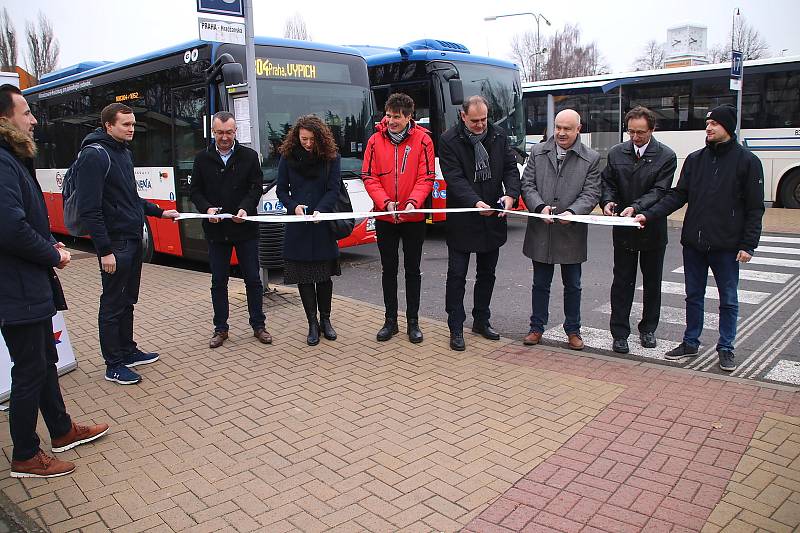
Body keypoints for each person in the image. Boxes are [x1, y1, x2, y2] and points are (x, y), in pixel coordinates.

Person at [0, 84, 109, 478]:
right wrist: (52, 254)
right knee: (30, 371)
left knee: (45, 361)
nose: (32, 120)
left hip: (29, 286)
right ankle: (26, 455)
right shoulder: (2, 161)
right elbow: (9, 228)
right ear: (4, 118)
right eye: (25, 112)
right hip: (17, 290)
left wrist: (47, 240)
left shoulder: (13, 159)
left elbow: (22, 220)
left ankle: (61, 430)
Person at [635, 104, 764, 372]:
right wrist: (648, 214)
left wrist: (748, 244)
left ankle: (726, 348)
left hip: (727, 246)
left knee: (728, 299)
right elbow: (678, 195)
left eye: (714, 123)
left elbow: (754, 208)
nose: (708, 128)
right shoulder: (695, 159)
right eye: (708, 123)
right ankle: (690, 342)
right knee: (693, 295)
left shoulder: (748, 162)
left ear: (728, 127)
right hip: (694, 243)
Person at [75, 103, 179, 385]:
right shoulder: (93, 156)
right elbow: (90, 209)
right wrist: (104, 250)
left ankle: (128, 350)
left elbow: (130, 198)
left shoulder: (122, 153)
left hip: (131, 239)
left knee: (128, 300)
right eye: (125, 125)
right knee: (112, 303)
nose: (132, 129)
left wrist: (160, 212)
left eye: (133, 124)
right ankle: (114, 364)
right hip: (116, 243)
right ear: (108, 125)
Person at [439, 95, 521, 351]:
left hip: (492, 217)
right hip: (464, 216)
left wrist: (510, 195)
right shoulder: (449, 140)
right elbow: (454, 178)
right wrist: (475, 202)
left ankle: (481, 320)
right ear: (463, 116)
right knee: (457, 275)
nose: (480, 125)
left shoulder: (497, 135)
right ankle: (455, 326)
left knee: (487, 274)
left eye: (484, 119)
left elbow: (510, 168)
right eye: (475, 120)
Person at [520, 109, 601, 351]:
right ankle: (536, 328)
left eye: (567, 128)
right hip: (541, 230)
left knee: (573, 285)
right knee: (540, 284)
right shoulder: (538, 151)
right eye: (558, 127)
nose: (561, 133)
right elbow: (528, 184)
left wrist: (574, 213)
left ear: (578, 129)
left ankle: (573, 330)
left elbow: (592, 192)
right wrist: (540, 206)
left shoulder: (591, 158)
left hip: (571, 231)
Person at [190, 111, 271, 349]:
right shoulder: (202, 158)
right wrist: (207, 209)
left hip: (245, 228)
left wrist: (245, 209)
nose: (224, 137)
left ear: (236, 132)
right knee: (218, 282)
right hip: (216, 231)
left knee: (253, 280)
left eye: (229, 132)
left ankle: (258, 325)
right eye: (220, 133)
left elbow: (256, 188)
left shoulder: (249, 156)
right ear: (213, 132)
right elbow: (195, 191)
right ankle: (220, 329)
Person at [600, 106, 676, 354]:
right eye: (631, 132)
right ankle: (620, 332)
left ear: (652, 130)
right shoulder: (616, 153)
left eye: (641, 132)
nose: (635, 137)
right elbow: (608, 183)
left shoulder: (666, 156)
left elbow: (660, 191)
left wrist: (635, 207)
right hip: (623, 227)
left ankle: (648, 329)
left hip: (651, 227)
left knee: (652, 282)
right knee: (622, 282)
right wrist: (607, 202)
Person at [362, 93, 434, 343]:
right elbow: (369, 176)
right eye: (388, 115)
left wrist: (413, 203)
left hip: (413, 219)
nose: (390, 120)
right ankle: (390, 321)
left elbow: (427, 177)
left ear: (408, 117)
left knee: (413, 270)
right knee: (388, 269)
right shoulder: (374, 141)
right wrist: (386, 203)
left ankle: (413, 321)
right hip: (385, 218)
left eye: (396, 116)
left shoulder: (424, 141)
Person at [276, 115, 342, 346]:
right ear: (297, 136)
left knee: (324, 278)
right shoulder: (287, 157)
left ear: (320, 137)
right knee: (304, 278)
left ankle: (326, 321)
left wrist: (321, 211)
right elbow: (281, 190)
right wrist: (293, 207)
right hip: (298, 225)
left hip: (322, 223)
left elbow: (334, 189)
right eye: (304, 138)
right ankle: (312, 324)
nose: (308, 143)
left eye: (312, 139)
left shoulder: (331, 157)